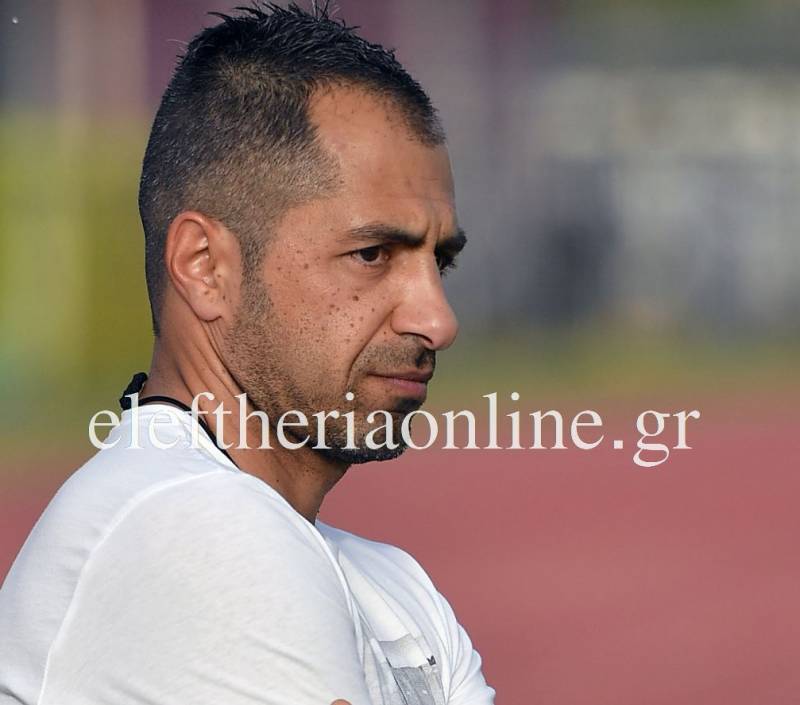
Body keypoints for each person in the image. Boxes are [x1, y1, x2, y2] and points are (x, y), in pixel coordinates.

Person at [0, 4, 494, 705]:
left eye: (438, 262)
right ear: (204, 266)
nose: (438, 320)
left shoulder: (395, 590)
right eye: (372, 254)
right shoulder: (189, 524)